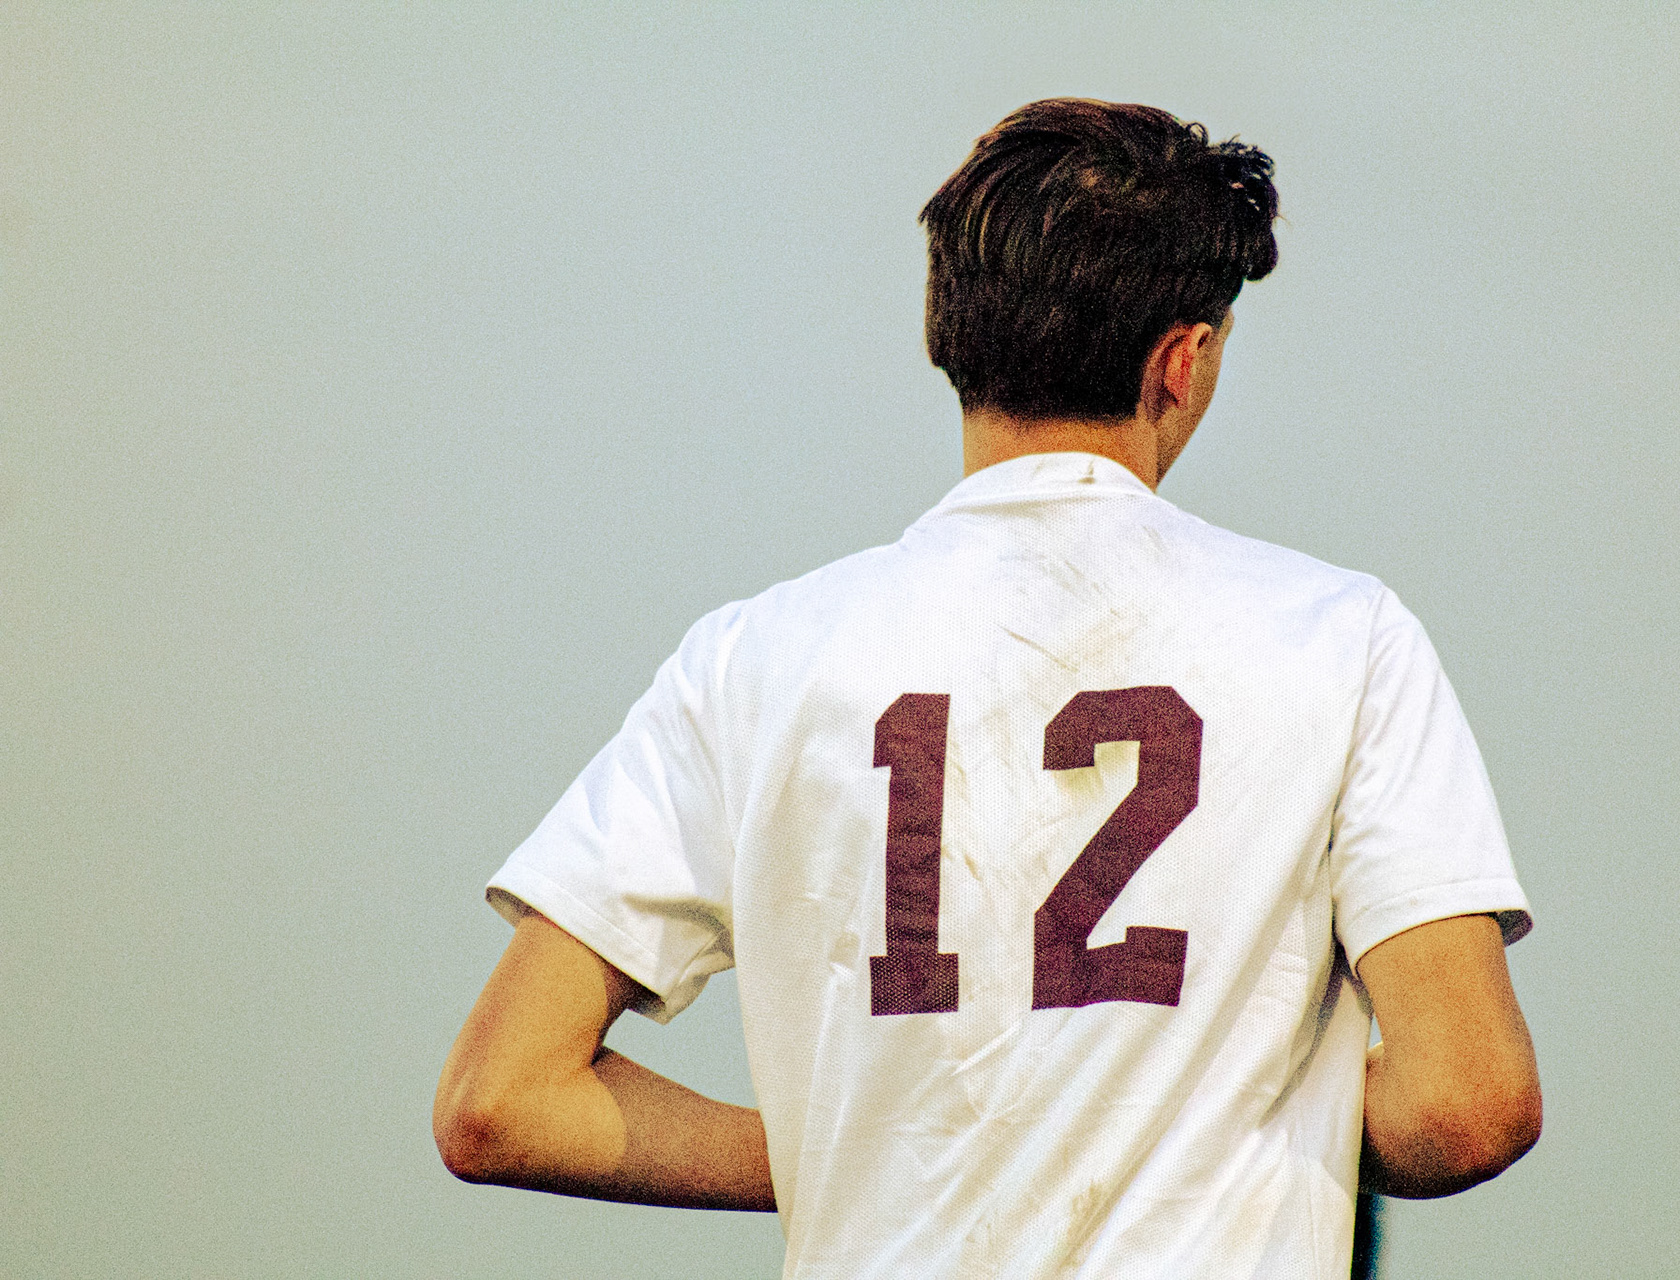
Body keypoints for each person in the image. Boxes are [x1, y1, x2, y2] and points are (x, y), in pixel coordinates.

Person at [434, 98, 1541, 1279]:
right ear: (1181, 359)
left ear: (945, 333)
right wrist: (1225, 1138)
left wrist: (855, 1153)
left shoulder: (751, 658)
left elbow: (500, 1097)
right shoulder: (1343, 637)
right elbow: (1466, 1102)